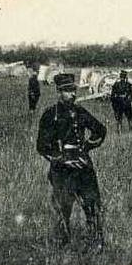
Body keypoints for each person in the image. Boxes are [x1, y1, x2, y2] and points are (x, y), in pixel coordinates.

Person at [36, 73, 107, 251]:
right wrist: (61, 160)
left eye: (73, 90)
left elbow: (100, 130)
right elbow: (42, 146)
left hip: (83, 166)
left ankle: (96, 242)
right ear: (59, 92)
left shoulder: (80, 111)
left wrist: (86, 148)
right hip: (62, 170)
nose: (72, 94)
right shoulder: (50, 115)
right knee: (63, 207)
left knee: (92, 204)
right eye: (68, 91)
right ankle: (62, 244)